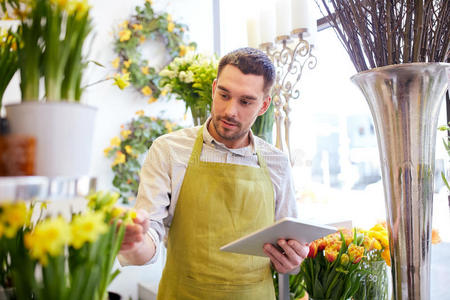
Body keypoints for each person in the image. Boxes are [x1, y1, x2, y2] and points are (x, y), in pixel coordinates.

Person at [118, 47, 309, 299]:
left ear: (263, 105)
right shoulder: (169, 150)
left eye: (245, 101)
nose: (230, 110)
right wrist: (133, 241)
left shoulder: (277, 163)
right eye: (224, 95)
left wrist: (292, 262)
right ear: (213, 88)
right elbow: (150, 238)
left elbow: (290, 253)